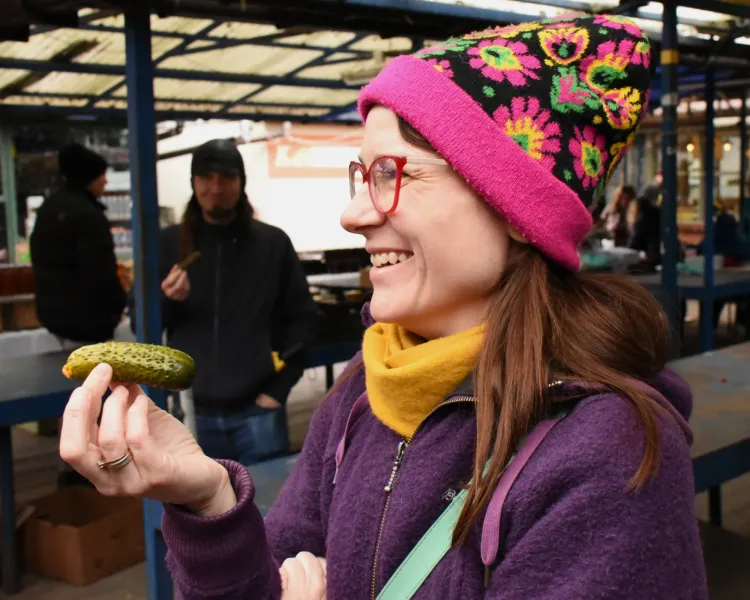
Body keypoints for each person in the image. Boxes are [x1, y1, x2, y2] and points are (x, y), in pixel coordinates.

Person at [61, 15, 707, 599]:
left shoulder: (608, 458)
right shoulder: (362, 392)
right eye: (361, 175)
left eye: (392, 174)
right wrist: (207, 498)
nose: (353, 213)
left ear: (514, 209)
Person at [128, 139, 319, 465]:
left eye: (227, 178)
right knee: (195, 513)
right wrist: (168, 300)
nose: (216, 188)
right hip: (187, 412)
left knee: (266, 512)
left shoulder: (272, 244)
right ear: (193, 182)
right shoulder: (166, 244)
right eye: (206, 177)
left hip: (258, 413)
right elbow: (141, 324)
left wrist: (278, 390)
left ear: (241, 183)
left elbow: (304, 320)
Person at [30, 142, 126, 344]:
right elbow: (100, 271)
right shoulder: (88, 215)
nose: (105, 181)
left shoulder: (49, 208)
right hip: (88, 322)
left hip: (54, 319)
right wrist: (118, 306)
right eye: (101, 175)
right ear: (87, 178)